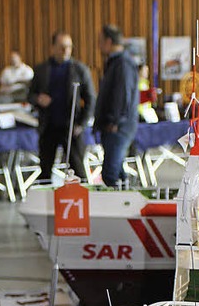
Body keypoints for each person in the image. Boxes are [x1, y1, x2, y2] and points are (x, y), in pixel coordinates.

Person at [28, 31, 95, 181]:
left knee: (77, 169)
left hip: (71, 127)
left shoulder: (80, 69)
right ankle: (44, 201)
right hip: (49, 126)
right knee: (45, 169)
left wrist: (81, 124)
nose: (66, 51)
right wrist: (38, 99)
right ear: (53, 48)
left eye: (69, 47)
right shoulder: (42, 70)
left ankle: (82, 200)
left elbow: (91, 99)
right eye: (62, 47)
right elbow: (30, 95)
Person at [93, 24, 139, 186]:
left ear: (108, 41)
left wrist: (114, 121)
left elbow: (122, 95)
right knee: (117, 173)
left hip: (118, 127)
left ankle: (121, 207)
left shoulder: (122, 64)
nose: (98, 45)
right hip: (115, 126)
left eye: (100, 41)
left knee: (110, 174)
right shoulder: (116, 63)